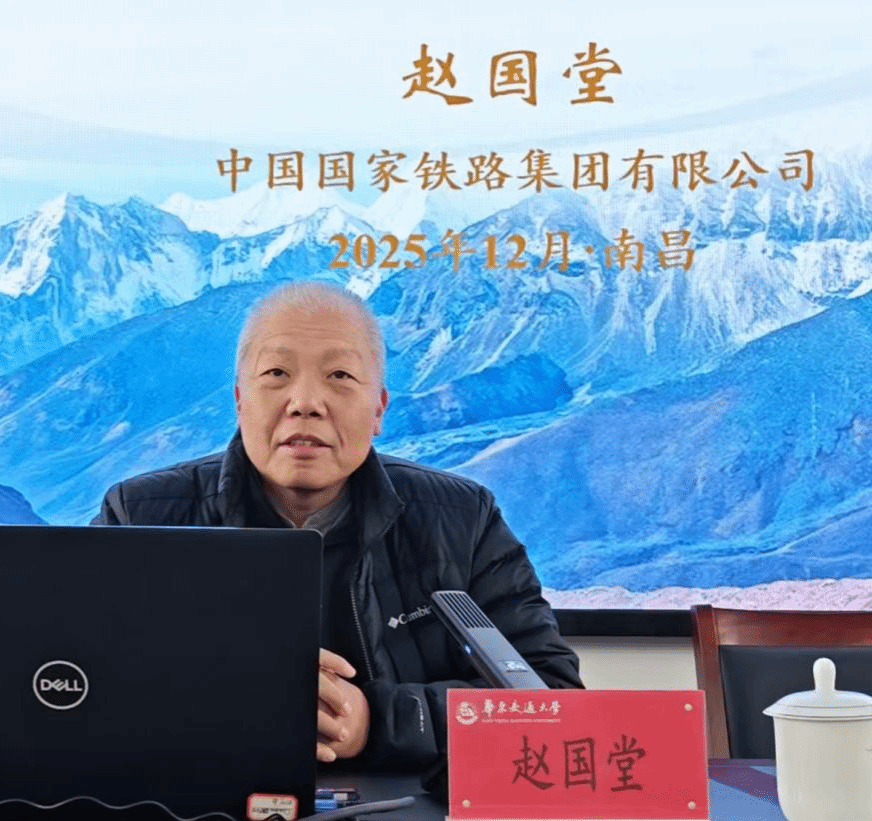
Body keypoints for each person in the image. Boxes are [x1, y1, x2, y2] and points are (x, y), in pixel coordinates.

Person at [93, 280, 582, 770]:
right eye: (277, 373)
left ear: (378, 409)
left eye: (340, 375)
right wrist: (224, 693)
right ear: (240, 400)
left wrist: (376, 721)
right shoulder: (139, 516)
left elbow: (552, 700)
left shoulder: (463, 520)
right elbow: (76, 688)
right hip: (199, 806)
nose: (305, 402)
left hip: (407, 811)